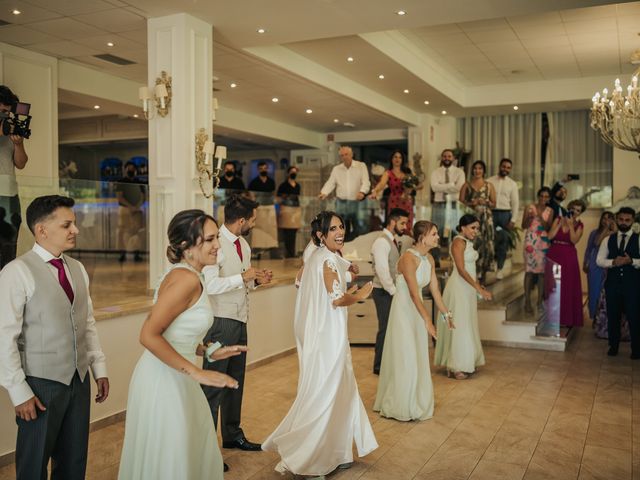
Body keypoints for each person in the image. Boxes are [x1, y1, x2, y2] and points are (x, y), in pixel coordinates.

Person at [118, 210, 243, 480]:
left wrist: (209, 350)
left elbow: (178, 334)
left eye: (216, 238)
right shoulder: (185, 280)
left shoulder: (190, 275)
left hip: (178, 375)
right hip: (163, 379)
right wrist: (197, 371)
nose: (217, 245)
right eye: (209, 240)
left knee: (189, 450)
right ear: (186, 246)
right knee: (173, 456)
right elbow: (149, 335)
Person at [0, 195, 109, 480]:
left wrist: (99, 368)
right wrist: (19, 392)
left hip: (79, 378)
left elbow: (86, 323)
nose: (75, 230)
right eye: (67, 225)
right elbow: (3, 337)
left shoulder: (78, 269)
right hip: (39, 385)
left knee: (74, 460)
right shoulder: (16, 272)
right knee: (34, 464)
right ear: (42, 230)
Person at [263, 211, 377, 476]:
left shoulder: (315, 256)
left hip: (320, 332)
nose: (340, 232)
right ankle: (311, 460)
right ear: (320, 235)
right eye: (333, 229)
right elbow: (336, 298)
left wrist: (347, 271)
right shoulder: (326, 259)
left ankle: (339, 452)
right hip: (328, 336)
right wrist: (360, 294)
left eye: (341, 227)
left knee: (340, 389)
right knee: (327, 392)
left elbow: (301, 281)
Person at [202, 194, 272, 453]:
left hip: (240, 320)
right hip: (220, 323)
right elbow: (209, 285)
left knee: (234, 381)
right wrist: (242, 277)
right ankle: (207, 447)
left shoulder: (244, 244)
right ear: (241, 220)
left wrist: (255, 280)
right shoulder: (214, 243)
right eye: (252, 220)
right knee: (213, 385)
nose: (253, 224)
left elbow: (242, 280)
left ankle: (232, 435)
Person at [374, 220, 452, 421]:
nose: (437, 237)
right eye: (433, 234)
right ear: (421, 237)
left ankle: (415, 399)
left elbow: (435, 290)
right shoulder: (409, 259)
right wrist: (428, 320)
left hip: (417, 312)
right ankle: (400, 404)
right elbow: (414, 294)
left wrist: (446, 314)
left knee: (417, 355)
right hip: (404, 311)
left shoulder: (430, 259)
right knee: (406, 355)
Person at [434, 214, 492, 379]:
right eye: (473, 228)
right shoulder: (458, 242)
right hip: (459, 288)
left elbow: (470, 269)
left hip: (467, 289)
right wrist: (479, 289)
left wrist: (477, 286)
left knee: (467, 322)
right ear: (463, 227)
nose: (476, 231)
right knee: (460, 324)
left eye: (477, 228)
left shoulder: (467, 242)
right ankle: (457, 365)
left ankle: (465, 360)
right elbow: (460, 269)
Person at [596, 207, 640, 358]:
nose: (624, 223)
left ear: (633, 221)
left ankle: (636, 349)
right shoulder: (608, 239)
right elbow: (599, 261)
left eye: (627, 220)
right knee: (613, 316)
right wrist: (613, 262)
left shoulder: (639, 239)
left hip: (633, 286)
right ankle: (613, 346)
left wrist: (631, 260)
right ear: (616, 219)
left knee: (634, 317)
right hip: (613, 285)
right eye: (621, 219)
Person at [370, 208, 409, 375]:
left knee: (391, 328)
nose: (405, 227)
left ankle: (388, 362)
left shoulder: (391, 240)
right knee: (385, 328)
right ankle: (379, 366)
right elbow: (382, 271)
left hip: (390, 291)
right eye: (402, 223)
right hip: (383, 291)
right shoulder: (381, 242)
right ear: (392, 222)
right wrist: (394, 292)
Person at [0, 85, 28, 267]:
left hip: (9, 195)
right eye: (1, 111)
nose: (4, 116)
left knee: (8, 248)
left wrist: (18, 144)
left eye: (7, 112)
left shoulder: (9, 131)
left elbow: (21, 163)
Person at [546, 199, 586, 327]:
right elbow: (549, 237)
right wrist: (559, 224)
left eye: (578, 210)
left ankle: (566, 319)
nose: (575, 211)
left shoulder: (580, 225)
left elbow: (574, 240)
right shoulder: (558, 219)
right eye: (573, 208)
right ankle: (552, 317)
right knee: (553, 286)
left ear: (580, 213)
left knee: (566, 287)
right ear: (569, 207)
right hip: (554, 253)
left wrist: (569, 225)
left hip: (568, 256)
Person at [319, 145, 371, 241]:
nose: (344, 157)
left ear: (352, 155)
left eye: (346, 154)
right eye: (342, 155)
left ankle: (357, 250)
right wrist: (324, 192)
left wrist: (362, 192)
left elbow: (366, 181)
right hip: (341, 203)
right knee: (342, 229)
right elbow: (331, 182)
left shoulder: (361, 166)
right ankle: (345, 250)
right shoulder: (336, 169)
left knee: (359, 229)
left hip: (357, 202)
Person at [460, 160, 496, 283]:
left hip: (486, 219)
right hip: (471, 218)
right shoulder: (466, 185)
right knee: (474, 244)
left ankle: (483, 278)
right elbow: (461, 202)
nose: (477, 170)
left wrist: (485, 202)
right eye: (475, 168)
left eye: (480, 168)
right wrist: (471, 203)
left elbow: (494, 204)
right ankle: (471, 275)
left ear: (484, 171)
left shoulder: (489, 185)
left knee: (486, 245)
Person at [369, 150, 421, 234]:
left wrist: (411, 189)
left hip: (407, 202)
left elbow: (417, 184)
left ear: (402, 159)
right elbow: (381, 184)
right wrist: (375, 191)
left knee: (406, 226)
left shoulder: (407, 172)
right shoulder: (388, 173)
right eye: (395, 157)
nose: (397, 159)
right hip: (394, 202)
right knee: (394, 226)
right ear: (391, 159)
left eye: (400, 157)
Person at [521, 187, 553, 313]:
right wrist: (529, 218)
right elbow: (524, 225)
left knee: (542, 273)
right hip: (530, 242)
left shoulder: (550, 211)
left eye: (546, 197)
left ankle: (540, 300)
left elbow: (548, 227)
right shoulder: (529, 207)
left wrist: (539, 215)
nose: (543, 199)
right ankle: (527, 301)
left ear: (549, 198)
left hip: (543, 243)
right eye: (541, 196)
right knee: (529, 271)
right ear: (538, 196)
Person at [488, 158, 519, 280]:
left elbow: (515, 203)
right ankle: (487, 267)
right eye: (503, 166)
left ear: (510, 169)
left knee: (503, 241)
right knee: (489, 241)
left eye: (508, 167)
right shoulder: (489, 181)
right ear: (499, 166)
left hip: (505, 215)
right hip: (491, 214)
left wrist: (513, 220)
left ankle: (500, 269)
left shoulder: (512, 184)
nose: (505, 169)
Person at [430, 148, 465, 248]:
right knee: (436, 230)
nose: (447, 158)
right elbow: (434, 187)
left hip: (454, 203)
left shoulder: (459, 172)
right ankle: (436, 258)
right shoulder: (435, 172)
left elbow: (459, 187)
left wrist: (441, 186)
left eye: (449, 156)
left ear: (453, 158)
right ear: (441, 158)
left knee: (455, 229)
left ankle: (455, 256)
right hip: (438, 203)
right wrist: (451, 184)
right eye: (444, 156)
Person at [584, 211, 616, 320]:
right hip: (595, 265)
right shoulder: (595, 233)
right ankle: (594, 316)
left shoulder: (615, 232)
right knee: (594, 291)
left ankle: (606, 318)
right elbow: (593, 245)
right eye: (604, 218)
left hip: (609, 264)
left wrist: (612, 228)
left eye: (609, 218)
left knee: (607, 292)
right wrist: (585, 262)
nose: (606, 220)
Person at [115, 161, 146, 262]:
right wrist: (131, 207)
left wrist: (136, 206)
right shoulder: (121, 182)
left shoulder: (139, 181)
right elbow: (120, 198)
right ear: (125, 169)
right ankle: (122, 254)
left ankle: (136, 255)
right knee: (123, 232)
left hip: (137, 210)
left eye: (132, 168)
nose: (131, 170)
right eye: (129, 169)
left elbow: (143, 196)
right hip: (124, 210)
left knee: (137, 232)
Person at [277, 165, 301, 258]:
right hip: (286, 210)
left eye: (295, 172)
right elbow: (279, 198)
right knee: (287, 233)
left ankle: (292, 252)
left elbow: (298, 198)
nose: (294, 174)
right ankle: (288, 253)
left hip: (295, 210)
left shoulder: (298, 185)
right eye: (292, 172)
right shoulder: (283, 185)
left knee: (294, 232)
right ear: (288, 173)